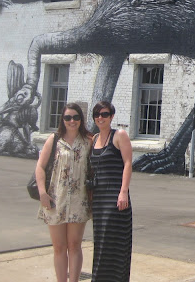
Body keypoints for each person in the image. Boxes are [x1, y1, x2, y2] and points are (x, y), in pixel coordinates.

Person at [36, 102, 92, 282]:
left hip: (79, 201)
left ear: (81, 119)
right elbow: (40, 167)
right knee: (59, 247)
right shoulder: (54, 140)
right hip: (55, 200)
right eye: (68, 117)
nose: (72, 121)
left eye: (76, 117)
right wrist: (42, 193)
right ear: (62, 119)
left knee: (74, 245)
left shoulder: (88, 141)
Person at [90, 101, 133, 281]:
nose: (100, 118)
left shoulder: (119, 135)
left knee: (115, 243)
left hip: (115, 197)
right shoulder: (94, 139)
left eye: (105, 114)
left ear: (111, 116)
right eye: (97, 114)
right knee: (100, 243)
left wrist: (123, 192)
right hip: (99, 198)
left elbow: (128, 163)